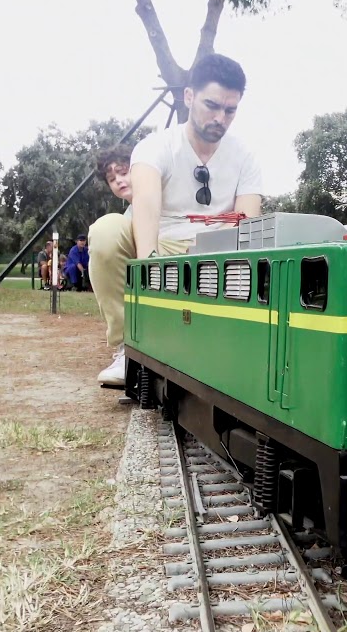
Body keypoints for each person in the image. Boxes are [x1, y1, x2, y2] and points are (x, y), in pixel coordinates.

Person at [88, 53, 263, 388]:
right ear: (189, 97)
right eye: (211, 105)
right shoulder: (155, 146)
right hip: (162, 244)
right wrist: (150, 263)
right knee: (106, 231)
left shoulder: (246, 157)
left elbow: (247, 224)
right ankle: (131, 347)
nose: (220, 118)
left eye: (230, 110)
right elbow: (146, 207)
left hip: (214, 251)